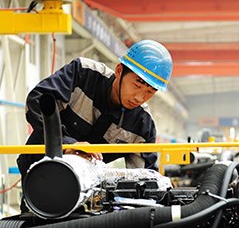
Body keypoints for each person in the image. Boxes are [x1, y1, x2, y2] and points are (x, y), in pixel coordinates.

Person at [16, 39, 173, 183]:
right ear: (119, 70)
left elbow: (146, 178)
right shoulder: (83, 73)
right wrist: (68, 144)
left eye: (150, 92)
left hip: (87, 191)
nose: (140, 97)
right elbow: (37, 102)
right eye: (137, 85)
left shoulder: (142, 125)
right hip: (38, 174)